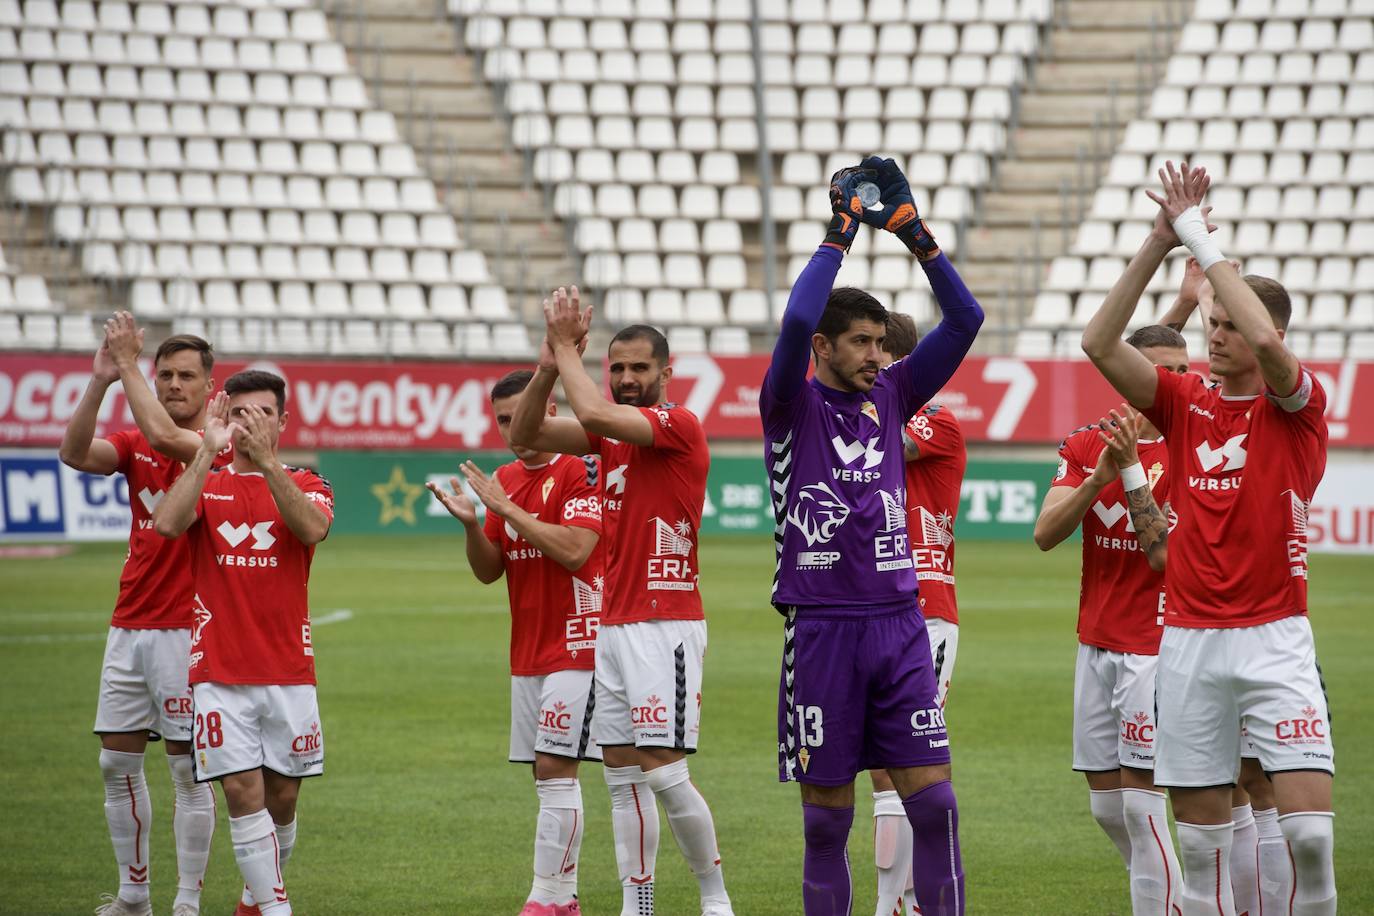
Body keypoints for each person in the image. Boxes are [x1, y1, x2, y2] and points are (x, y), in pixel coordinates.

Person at [1082, 161, 1335, 915]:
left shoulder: (1298, 407)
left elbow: (1263, 336)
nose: (1215, 336)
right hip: (1188, 643)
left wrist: (1198, 235)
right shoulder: (1185, 403)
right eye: (1211, 325)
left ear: (1272, 338)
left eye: (1227, 326)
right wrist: (1160, 243)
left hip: (1275, 638)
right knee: (1201, 855)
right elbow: (1099, 342)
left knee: (1311, 838)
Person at [762, 158, 982, 915]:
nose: (877, 356)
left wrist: (917, 237)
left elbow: (966, 321)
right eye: (860, 342)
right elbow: (796, 320)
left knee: (936, 805)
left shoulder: (892, 393)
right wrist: (842, 231)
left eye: (881, 342)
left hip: (900, 622)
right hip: (822, 627)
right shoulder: (788, 404)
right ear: (823, 349)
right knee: (828, 822)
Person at [510, 291, 732, 916]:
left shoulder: (678, 424)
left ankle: (716, 899)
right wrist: (548, 366)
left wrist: (563, 347)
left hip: (665, 623)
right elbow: (525, 434)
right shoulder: (607, 437)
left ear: (667, 372)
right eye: (617, 368)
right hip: (612, 625)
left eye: (640, 367)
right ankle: (640, 905)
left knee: (662, 770)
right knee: (621, 777)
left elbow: (592, 412)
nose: (627, 377)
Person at [59, 314, 226, 916]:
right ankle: (134, 897)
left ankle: (186, 903)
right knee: (116, 763)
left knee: (187, 773)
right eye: (165, 375)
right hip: (129, 623)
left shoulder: (219, 445)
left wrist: (127, 363)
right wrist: (102, 380)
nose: (174, 384)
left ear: (210, 386)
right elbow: (74, 452)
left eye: (186, 376)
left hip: (188, 629)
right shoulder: (135, 444)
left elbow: (162, 434)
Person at [153, 370, 335, 916]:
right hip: (219, 670)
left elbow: (311, 530)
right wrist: (207, 451)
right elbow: (167, 524)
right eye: (239, 413)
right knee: (239, 792)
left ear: (283, 420)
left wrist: (269, 463)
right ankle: (277, 909)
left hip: (288, 670)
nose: (249, 423)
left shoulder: (309, 483)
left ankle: (255, 900)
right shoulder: (206, 480)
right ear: (223, 417)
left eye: (262, 414)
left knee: (283, 798)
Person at [429, 369, 605, 916]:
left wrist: (507, 510)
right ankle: (565, 898)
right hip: (529, 649)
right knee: (545, 772)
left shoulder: (581, 467)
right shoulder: (504, 477)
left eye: (521, 415)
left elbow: (575, 550)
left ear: (550, 410)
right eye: (503, 420)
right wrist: (471, 524)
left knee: (554, 766)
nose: (514, 429)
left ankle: (545, 898)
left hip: (580, 641)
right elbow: (490, 571)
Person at [1033, 324, 1189, 914]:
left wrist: (1128, 471)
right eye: (1164, 370)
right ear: (1129, 375)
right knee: (1107, 807)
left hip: (1154, 645)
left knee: (1142, 808)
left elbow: (1162, 554)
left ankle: (1167, 905)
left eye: (1184, 370)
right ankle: (1175, 896)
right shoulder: (1084, 444)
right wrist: (1099, 476)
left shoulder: (1190, 448)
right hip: (1095, 641)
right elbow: (1046, 533)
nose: (1177, 381)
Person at [866, 313, 969, 916]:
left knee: (903, 764)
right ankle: (901, 902)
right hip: (869, 606)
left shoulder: (935, 420)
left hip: (925, 609)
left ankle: (897, 906)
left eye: (875, 353)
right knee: (881, 766)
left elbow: (886, 444)